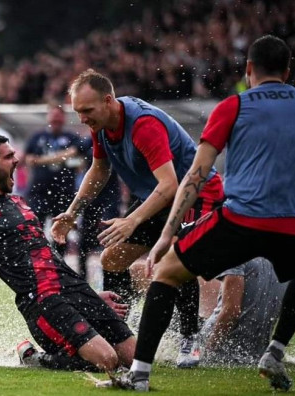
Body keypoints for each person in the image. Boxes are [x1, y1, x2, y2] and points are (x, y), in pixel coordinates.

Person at [121, 35, 295, 392]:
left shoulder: (232, 106)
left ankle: (140, 374)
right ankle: (275, 349)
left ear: (249, 69)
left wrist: (166, 234)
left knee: (164, 273)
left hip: (241, 220)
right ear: (287, 71)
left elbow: (197, 173)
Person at [0, 134, 137, 382]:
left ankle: (82, 334)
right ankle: (32, 357)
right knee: (107, 361)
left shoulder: (18, 201)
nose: (17, 159)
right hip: (42, 302)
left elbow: (47, 258)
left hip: (72, 289)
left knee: (135, 358)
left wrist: (89, 295)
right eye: (9, 156)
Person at [51, 69, 224, 369]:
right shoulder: (101, 123)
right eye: (78, 111)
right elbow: (99, 170)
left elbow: (171, 185)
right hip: (161, 196)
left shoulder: (143, 125)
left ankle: (190, 338)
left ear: (108, 101)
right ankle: (119, 330)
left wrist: (131, 221)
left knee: (174, 261)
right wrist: (71, 212)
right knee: (112, 258)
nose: (82, 118)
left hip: (197, 193)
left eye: (87, 110)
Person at [200, 257, 295, 366]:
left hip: (221, 349)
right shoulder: (290, 261)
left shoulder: (235, 254)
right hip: (257, 354)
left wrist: (207, 353)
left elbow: (232, 312)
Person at [24, 105, 83, 256]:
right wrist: (61, 157)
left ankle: (58, 265)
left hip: (63, 192)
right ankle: (36, 262)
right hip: (39, 191)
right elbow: (28, 159)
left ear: (64, 118)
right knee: (35, 229)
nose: (56, 118)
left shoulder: (72, 137)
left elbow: (77, 156)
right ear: (48, 117)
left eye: (59, 115)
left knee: (60, 233)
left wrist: (42, 160)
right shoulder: (37, 137)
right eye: (53, 115)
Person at [76, 136, 121, 278]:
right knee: (84, 239)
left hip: (110, 196)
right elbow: (75, 152)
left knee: (111, 237)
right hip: (91, 197)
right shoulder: (91, 140)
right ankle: (82, 278)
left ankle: (111, 277)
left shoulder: (116, 139)